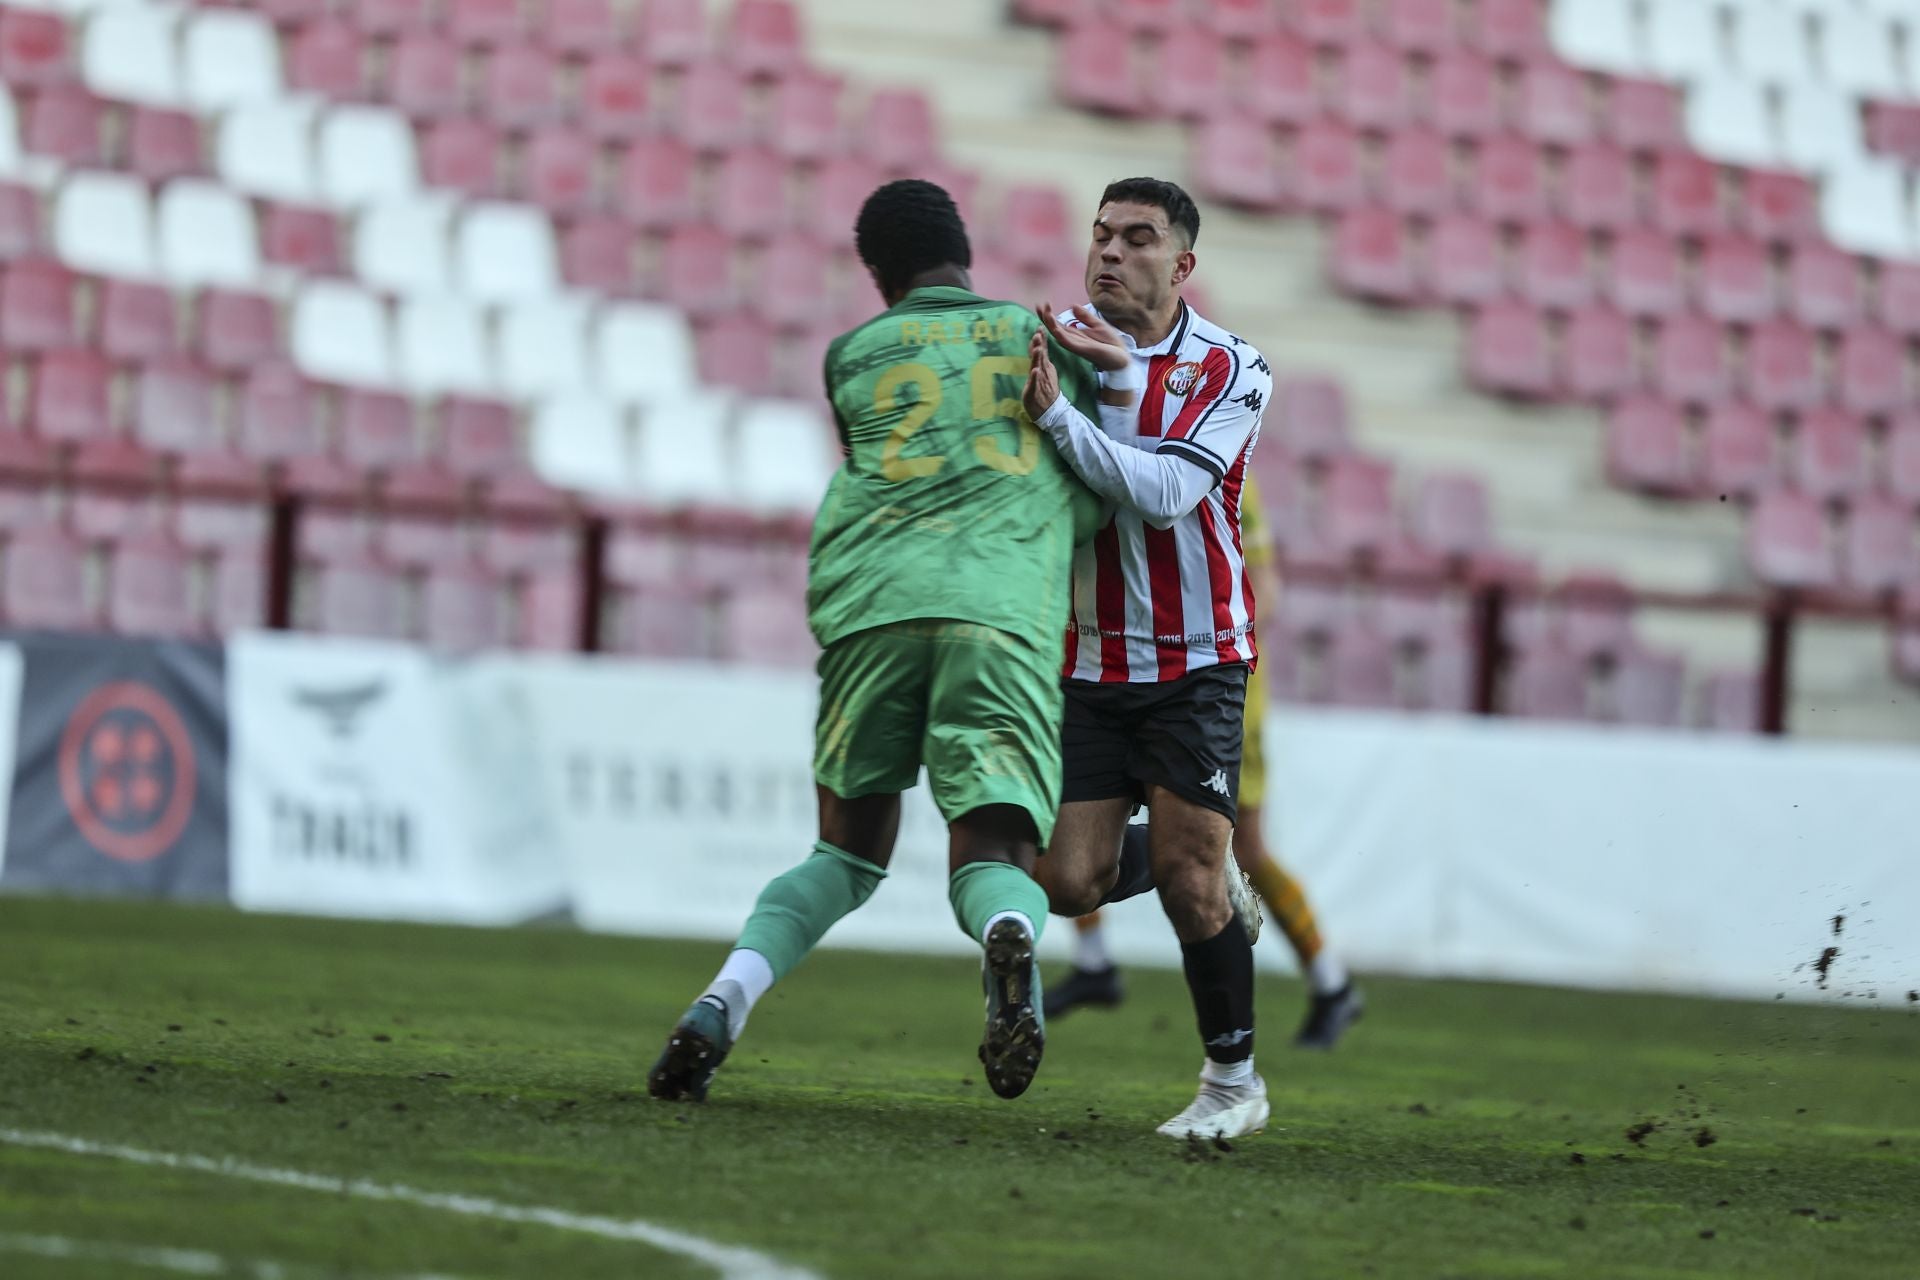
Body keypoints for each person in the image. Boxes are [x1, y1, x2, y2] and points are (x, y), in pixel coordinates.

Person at [648, 179, 1115, 1104]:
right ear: (965, 248)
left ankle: (719, 1004)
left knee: (847, 853)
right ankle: (1002, 940)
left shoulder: (851, 355)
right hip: (998, 612)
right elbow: (1098, 485)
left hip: (872, 607)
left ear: (875, 270)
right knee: (992, 855)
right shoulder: (1039, 337)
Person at [1018, 177, 1276, 1140]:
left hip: (1199, 658)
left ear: (1184, 263)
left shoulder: (1232, 368)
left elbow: (1167, 492)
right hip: (1088, 662)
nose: (1111, 253)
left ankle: (1231, 1084)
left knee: (1191, 880)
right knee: (1065, 882)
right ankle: (1189, 851)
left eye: (1137, 238)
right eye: (1100, 236)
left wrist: (1057, 420)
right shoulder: (1059, 350)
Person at [1043, 472, 1367, 1049]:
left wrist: (1204, 650)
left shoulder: (1221, 466)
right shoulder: (1111, 456)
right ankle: (1094, 962)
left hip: (1213, 692)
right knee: (1083, 817)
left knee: (1241, 848)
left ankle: (1330, 982)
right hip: (1121, 674)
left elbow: (1263, 587)